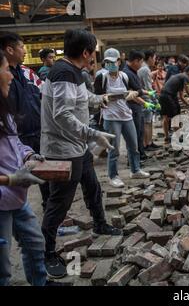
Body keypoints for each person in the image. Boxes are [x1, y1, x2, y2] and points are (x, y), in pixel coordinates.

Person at [40, 29, 122, 279]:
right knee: (59, 203)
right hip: (63, 149)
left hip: (76, 146)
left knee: (92, 186)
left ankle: (99, 223)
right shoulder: (64, 73)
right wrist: (92, 134)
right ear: (85, 52)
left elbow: (82, 97)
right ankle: (47, 252)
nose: (93, 58)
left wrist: (100, 100)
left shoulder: (73, 72)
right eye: (93, 52)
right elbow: (62, 114)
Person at [0, 50, 70, 286]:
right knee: (2, 265)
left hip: (17, 198)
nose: (10, 76)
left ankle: (40, 282)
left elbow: (14, 142)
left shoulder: (4, 110)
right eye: (5, 70)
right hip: (2, 198)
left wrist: (28, 153)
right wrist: (9, 179)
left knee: (34, 242)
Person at [0, 31, 50, 211]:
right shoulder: (3, 78)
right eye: (21, 47)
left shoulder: (27, 73)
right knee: (17, 179)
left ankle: (50, 217)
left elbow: (41, 95)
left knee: (45, 179)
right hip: (16, 136)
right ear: (9, 49)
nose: (24, 51)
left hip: (37, 132)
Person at [94, 47, 150, 188]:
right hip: (111, 117)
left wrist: (137, 96)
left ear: (119, 61)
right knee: (114, 149)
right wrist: (104, 98)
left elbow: (134, 91)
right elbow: (96, 98)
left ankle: (135, 170)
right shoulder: (101, 77)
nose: (111, 65)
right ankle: (113, 176)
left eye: (113, 62)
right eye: (108, 62)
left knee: (134, 145)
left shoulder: (124, 76)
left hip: (126, 115)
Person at [160, 65, 189, 143]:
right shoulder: (185, 77)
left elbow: (181, 96)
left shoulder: (180, 77)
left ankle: (167, 138)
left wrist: (188, 105)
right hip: (168, 96)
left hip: (164, 95)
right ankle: (178, 137)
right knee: (175, 117)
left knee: (166, 117)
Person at [122, 50, 149, 161]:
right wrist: (145, 103)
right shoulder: (127, 73)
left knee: (140, 132)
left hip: (137, 107)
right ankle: (134, 159)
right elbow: (131, 93)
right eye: (141, 62)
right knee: (134, 134)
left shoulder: (133, 71)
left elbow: (138, 90)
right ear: (135, 61)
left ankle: (140, 154)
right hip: (132, 107)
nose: (141, 65)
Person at [137, 49, 160, 150]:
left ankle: (149, 142)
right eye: (154, 58)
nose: (155, 60)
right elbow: (148, 88)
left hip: (145, 98)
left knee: (149, 122)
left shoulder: (144, 68)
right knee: (147, 123)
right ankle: (147, 144)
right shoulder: (145, 69)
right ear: (150, 58)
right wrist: (155, 101)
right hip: (145, 99)